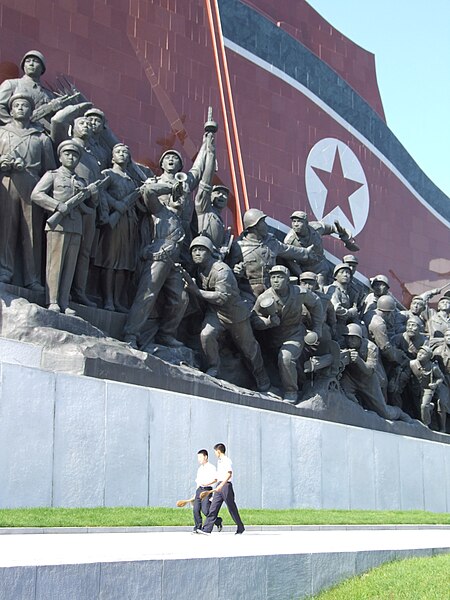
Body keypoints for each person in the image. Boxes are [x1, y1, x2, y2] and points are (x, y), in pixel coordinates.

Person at [186, 236, 270, 392]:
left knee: (249, 349)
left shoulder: (222, 271)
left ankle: (261, 375)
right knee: (206, 335)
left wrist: (197, 291)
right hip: (215, 312)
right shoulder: (200, 269)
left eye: (201, 250)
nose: (197, 253)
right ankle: (214, 367)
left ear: (210, 252)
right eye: (194, 250)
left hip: (234, 313)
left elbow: (222, 297)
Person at [31, 140, 98, 314]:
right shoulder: (52, 175)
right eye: (67, 154)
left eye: (75, 154)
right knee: (55, 264)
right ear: (60, 157)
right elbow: (36, 195)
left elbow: (88, 209)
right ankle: (52, 300)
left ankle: (64, 301)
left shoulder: (82, 182)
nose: (71, 157)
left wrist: (93, 197)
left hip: (76, 226)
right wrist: (56, 205)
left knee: (69, 266)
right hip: (58, 225)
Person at [123, 176, 188, 349]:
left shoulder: (180, 221)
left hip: (173, 262)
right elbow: (149, 191)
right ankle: (131, 333)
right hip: (159, 255)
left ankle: (165, 334)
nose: (181, 199)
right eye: (179, 196)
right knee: (147, 294)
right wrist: (170, 188)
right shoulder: (161, 211)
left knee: (181, 299)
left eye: (183, 198)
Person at [0, 93, 56, 288]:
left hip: (32, 185)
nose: (21, 108)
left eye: (25, 105)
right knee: (7, 228)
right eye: (17, 105)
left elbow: (50, 169)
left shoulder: (41, 138)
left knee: (32, 232)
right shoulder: (2, 133)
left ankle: (32, 278)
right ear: (11, 110)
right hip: (7, 182)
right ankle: (5, 269)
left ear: (31, 111)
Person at [251, 265, 323, 403]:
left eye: (280, 277)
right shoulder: (264, 298)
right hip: (273, 337)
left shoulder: (299, 293)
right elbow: (254, 319)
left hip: (294, 333)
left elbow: (316, 304)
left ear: (287, 279)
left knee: (286, 357)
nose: (276, 280)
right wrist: (268, 322)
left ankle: (291, 391)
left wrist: (317, 327)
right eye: (273, 277)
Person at [228, 208, 317, 302]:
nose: (266, 225)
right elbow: (230, 273)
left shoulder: (271, 242)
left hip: (272, 292)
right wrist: (236, 273)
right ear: (255, 226)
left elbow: (287, 250)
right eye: (263, 222)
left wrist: (306, 252)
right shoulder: (238, 247)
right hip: (249, 294)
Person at [282, 211, 358, 286]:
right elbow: (290, 261)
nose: (295, 224)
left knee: (322, 287)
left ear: (306, 223)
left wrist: (341, 232)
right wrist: (301, 275)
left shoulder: (316, 227)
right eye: (293, 221)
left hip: (321, 266)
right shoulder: (289, 241)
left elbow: (332, 228)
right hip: (305, 269)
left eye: (299, 221)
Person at [197, 443, 245, 535]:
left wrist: (222, 484)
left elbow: (229, 473)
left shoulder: (226, 460)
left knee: (232, 508)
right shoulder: (219, 461)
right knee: (213, 508)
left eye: (215, 451)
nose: (215, 453)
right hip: (219, 485)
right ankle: (206, 529)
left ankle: (240, 527)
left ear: (218, 451)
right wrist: (218, 484)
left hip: (226, 486)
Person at [0, 51, 54, 125]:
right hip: (15, 133)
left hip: (40, 133)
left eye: (35, 61)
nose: (31, 64)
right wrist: (13, 123)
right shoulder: (12, 84)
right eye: (28, 61)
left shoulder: (49, 95)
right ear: (24, 66)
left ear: (42, 68)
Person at [192, 449, 223, 534]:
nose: (199, 459)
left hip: (207, 490)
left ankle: (217, 521)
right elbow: (198, 482)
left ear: (205, 457)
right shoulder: (199, 469)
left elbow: (216, 479)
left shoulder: (211, 467)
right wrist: (195, 494)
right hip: (199, 490)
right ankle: (198, 527)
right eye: (198, 457)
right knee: (195, 509)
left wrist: (207, 483)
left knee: (206, 510)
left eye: (200, 457)